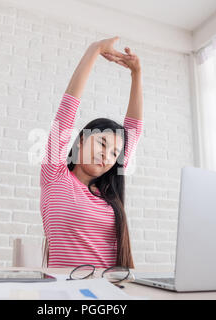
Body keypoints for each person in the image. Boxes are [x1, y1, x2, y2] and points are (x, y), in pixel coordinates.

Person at [40, 37, 143, 269]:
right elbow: (67, 108)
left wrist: (136, 74)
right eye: (102, 144)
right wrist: (94, 50)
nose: (108, 155)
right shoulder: (55, 176)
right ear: (83, 140)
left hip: (110, 292)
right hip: (64, 293)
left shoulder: (107, 193)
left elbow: (134, 130)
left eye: (115, 152)